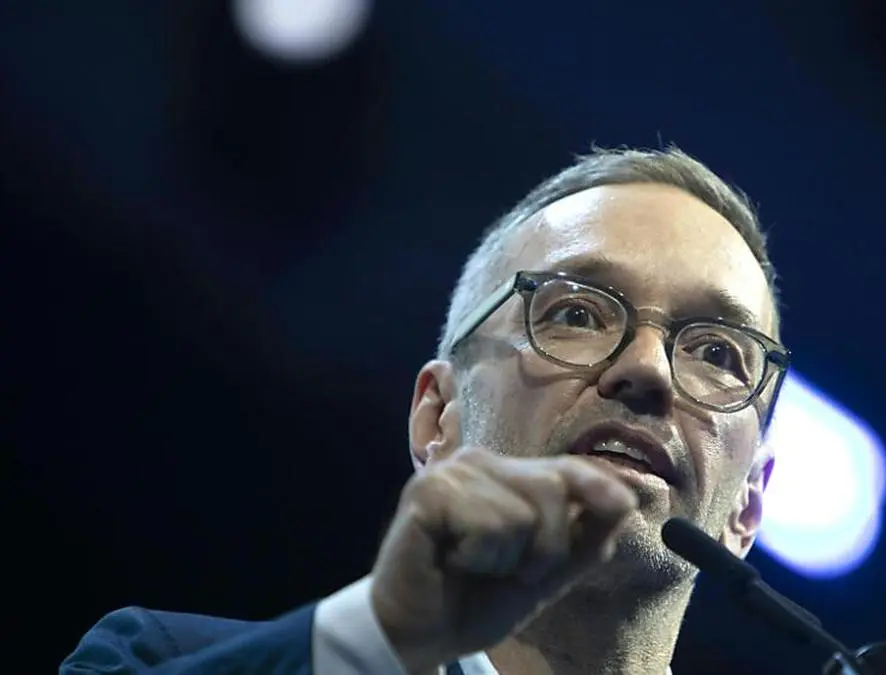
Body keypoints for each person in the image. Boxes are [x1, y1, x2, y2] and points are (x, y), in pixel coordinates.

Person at [62, 146, 790, 675]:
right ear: (437, 418)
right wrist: (374, 647)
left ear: (749, 505)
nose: (647, 370)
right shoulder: (155, 658)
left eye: (718, 352)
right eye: (575, 313)